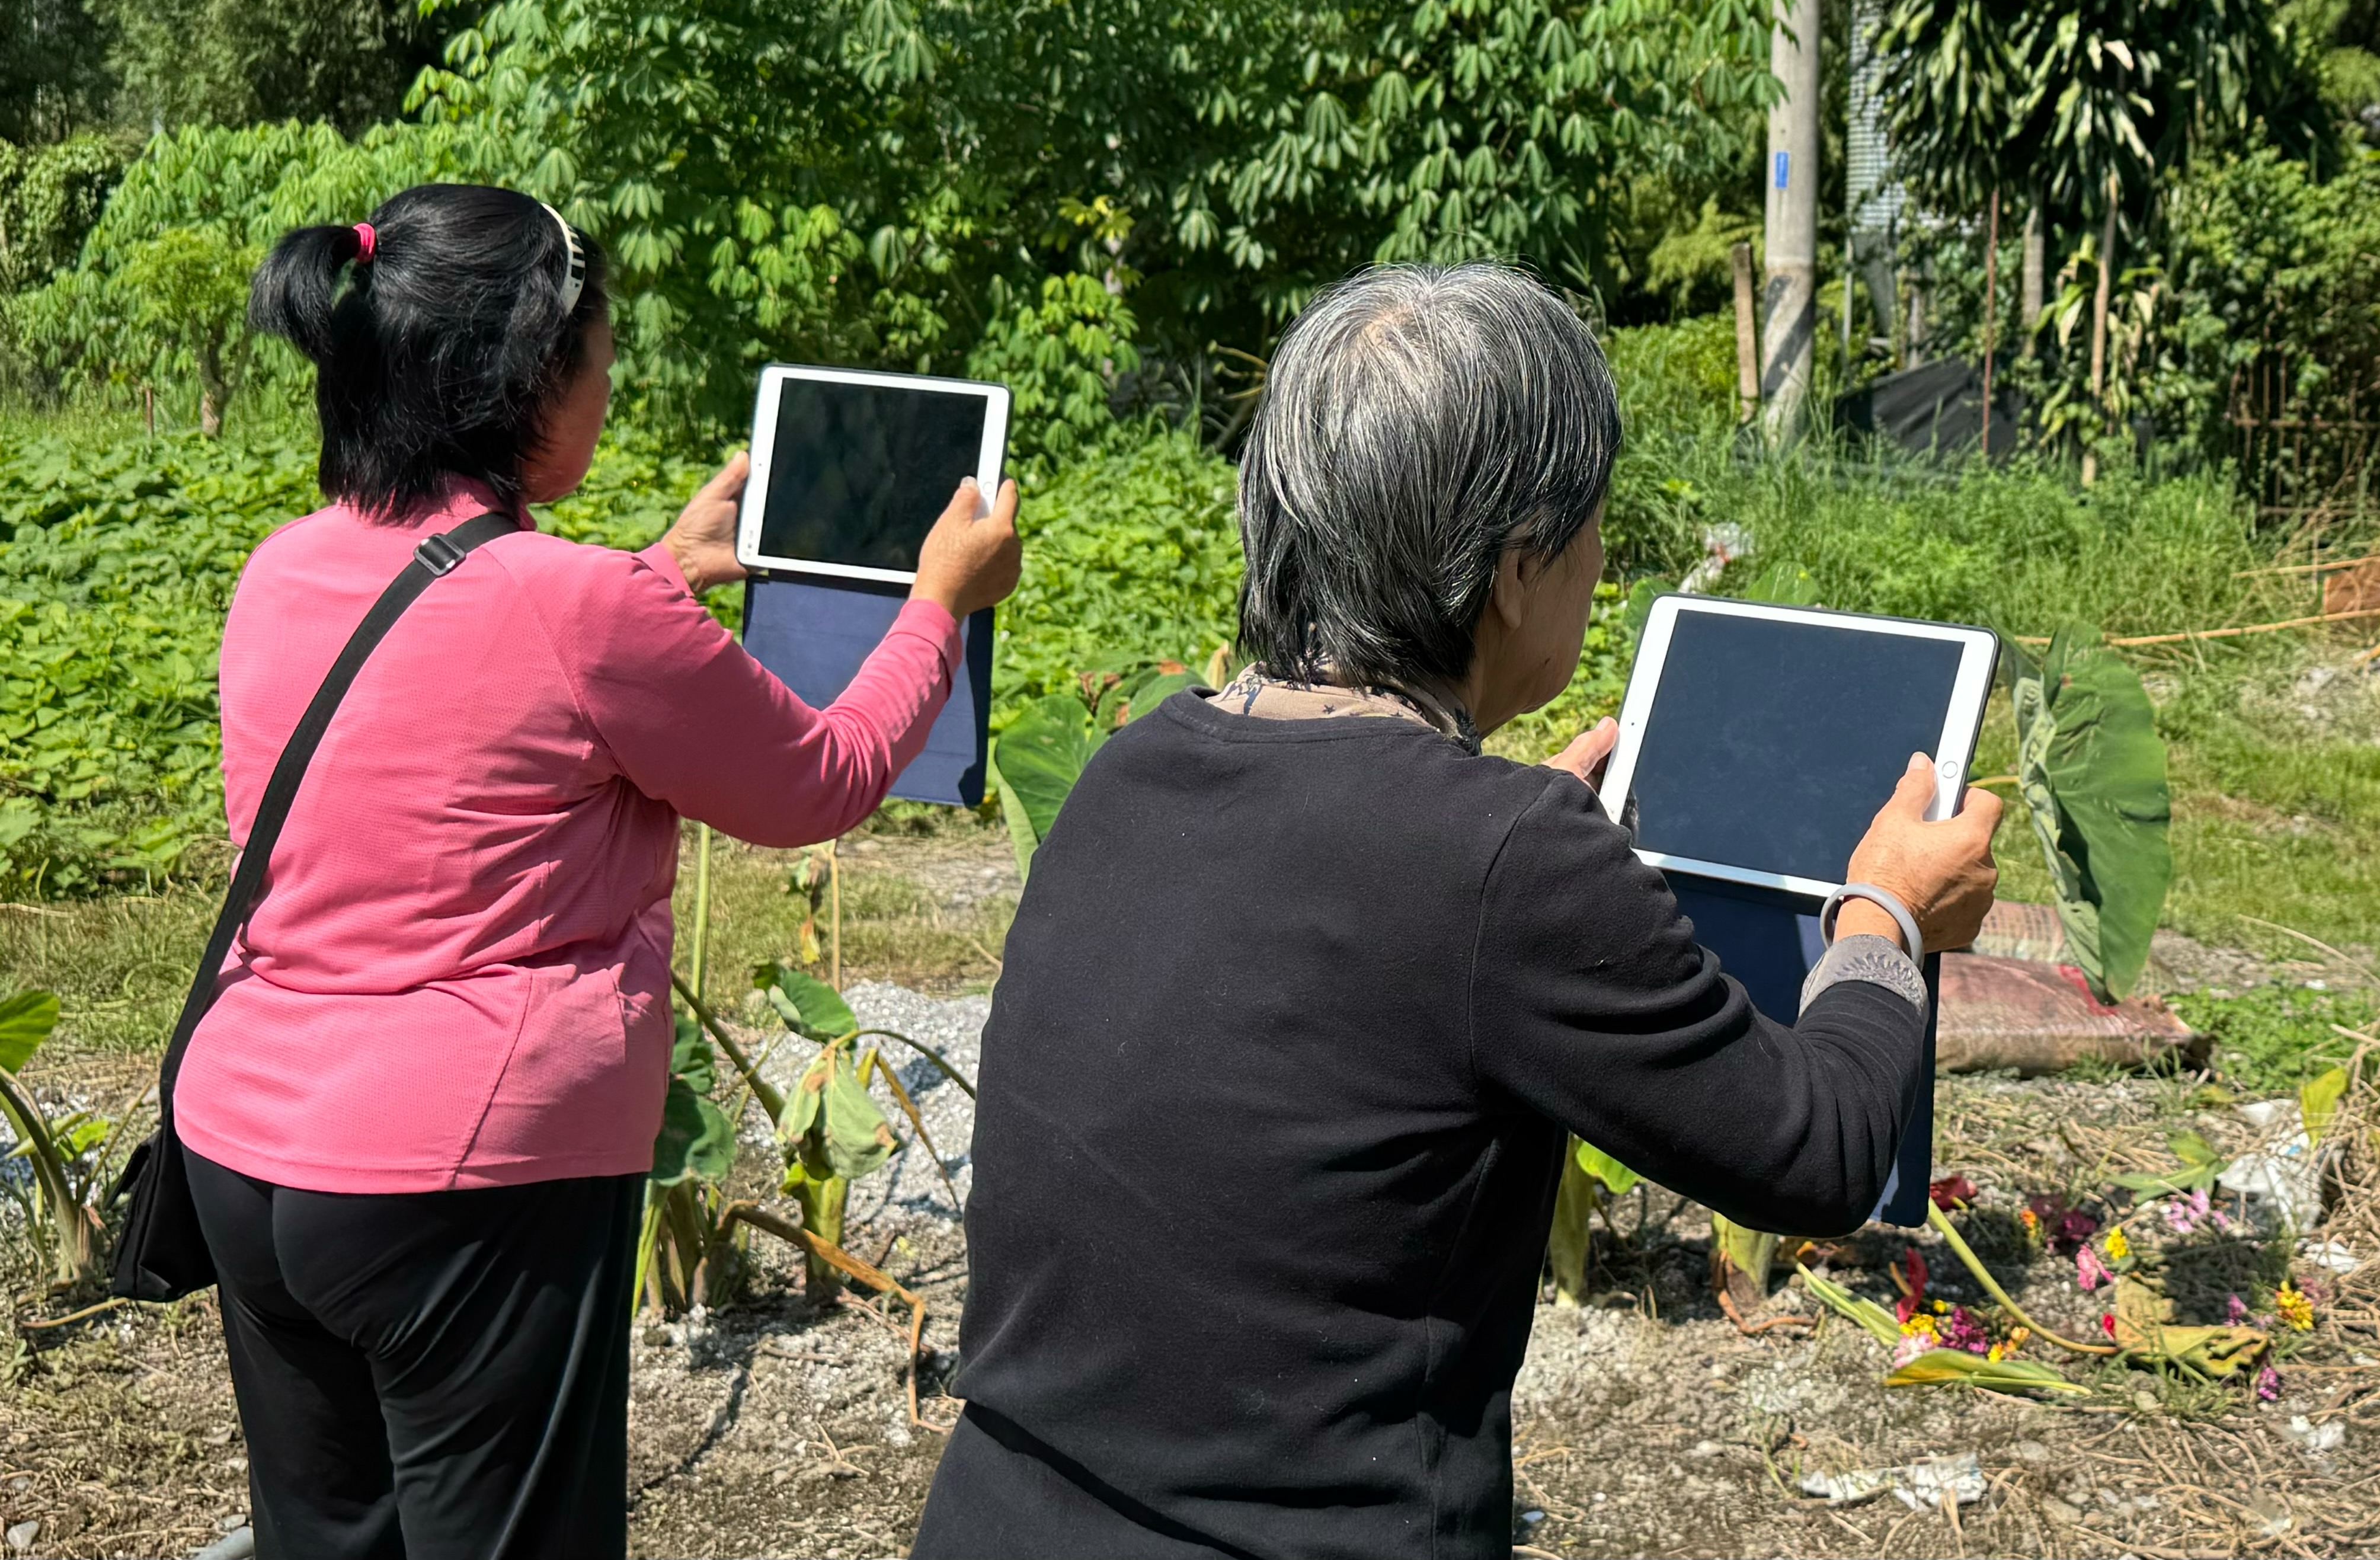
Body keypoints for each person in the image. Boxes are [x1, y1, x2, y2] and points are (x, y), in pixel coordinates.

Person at [916, 263, 2002, 1559]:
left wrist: (1508, 855)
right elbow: (1813, 1152)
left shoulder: (1136, 764)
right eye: (1593, 525)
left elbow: (1332, 946)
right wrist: (1882, 918)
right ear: (1514, 568)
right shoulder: (1502, 861)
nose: (1603, 560)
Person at [180, 184, 1023, 1560]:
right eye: (602, 354)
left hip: (249, 1161)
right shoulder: (582, 607)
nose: (613, 383)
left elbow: (457, 682)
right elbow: (822, 776)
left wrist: (656, 572)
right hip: (457, 1189)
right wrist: (937, 602)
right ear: (532, 376)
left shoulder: (284, 567)